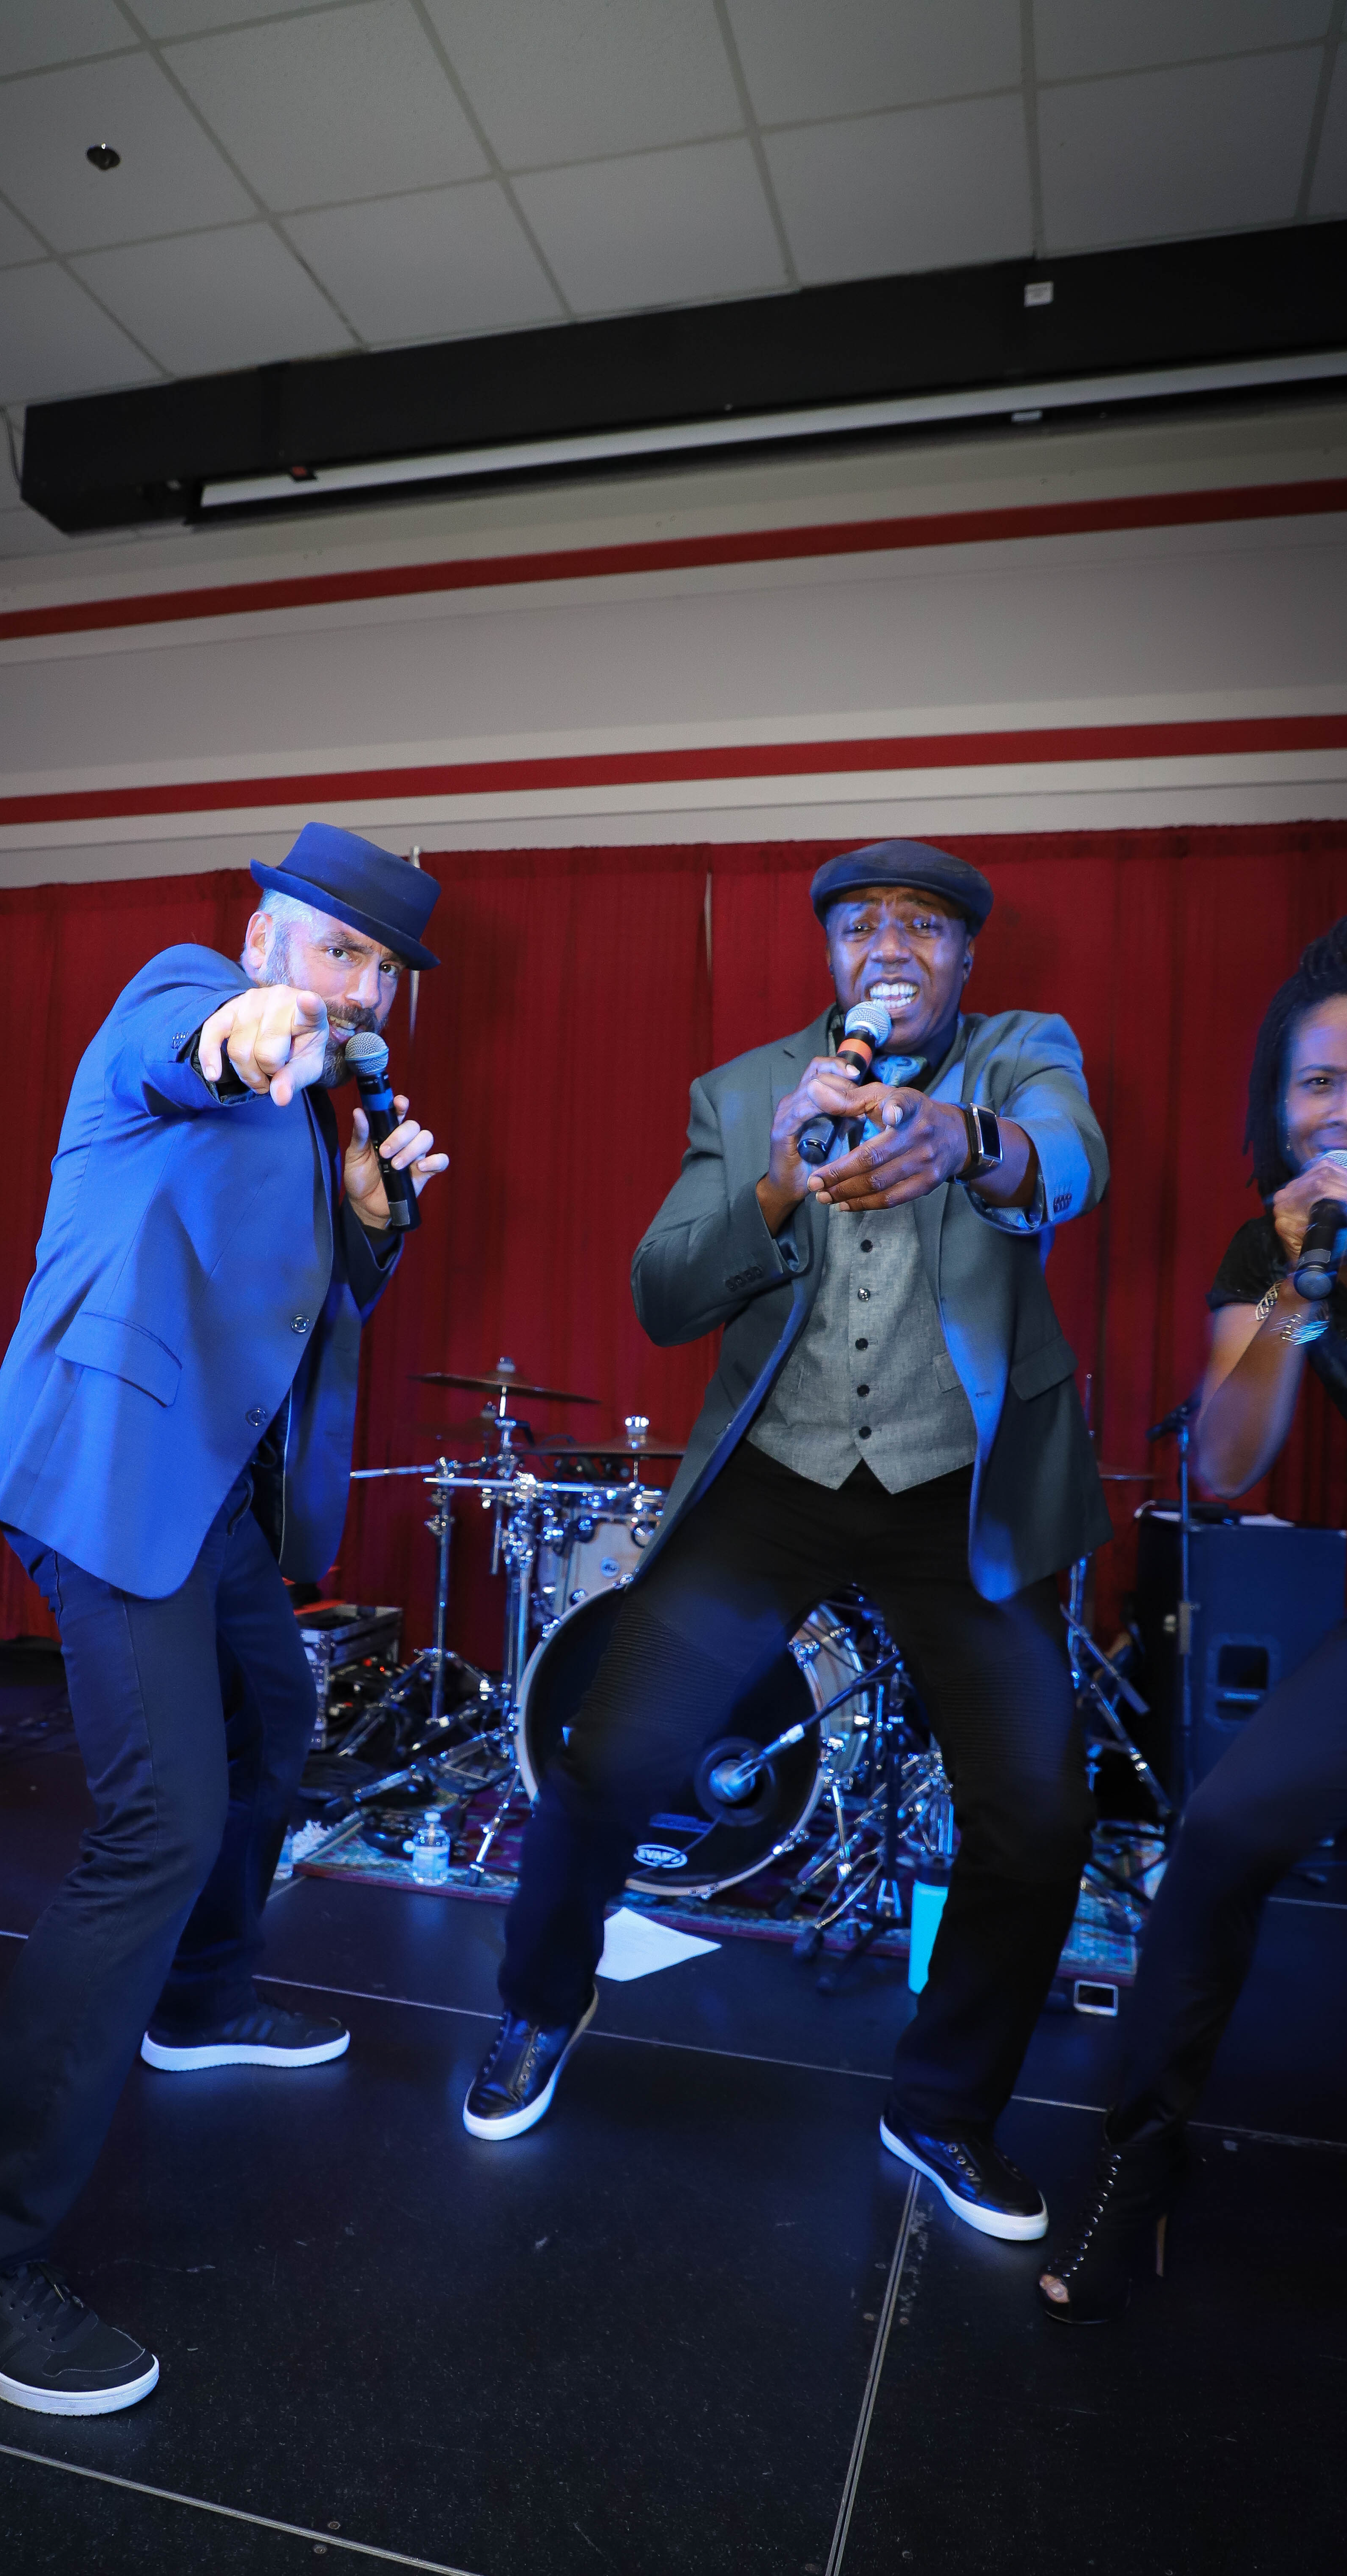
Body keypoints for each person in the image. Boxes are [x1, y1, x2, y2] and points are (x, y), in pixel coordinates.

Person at [464, 839, 1111, 2248]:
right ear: (831, 957)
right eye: (862, 925)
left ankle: (941, 2109)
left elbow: (1070, 1155)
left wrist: (966, 1144)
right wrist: (770, 1187)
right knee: (607, 1758)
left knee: (1039, 1814)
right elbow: (661, 1297)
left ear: (966, 957)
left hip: (956, 1488)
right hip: (780, 1478)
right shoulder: (743, 1088)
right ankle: (540, 2003)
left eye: (923, 926)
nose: (891, 948)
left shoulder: (1022, 1056)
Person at [0, 826, 448, 2416]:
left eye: (384, 969)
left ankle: (200, 2002)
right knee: (161, 1824)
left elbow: (301, 1314)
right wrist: (244, 1030)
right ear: (267, 939)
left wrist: (369, 1219)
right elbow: (185, 1043)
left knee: (280, 1722)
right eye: (339, 952)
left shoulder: (320, 1118)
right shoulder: (194, 989)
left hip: (205, 1495)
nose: (363, 989)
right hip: (109, 1463)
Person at [1040, 912, 1347, 2324]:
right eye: (1319, 1085)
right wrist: (1302, 1289)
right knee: (1223, 1830)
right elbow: (1230, 1459)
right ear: (1279, 1107)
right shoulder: (1279, 1248)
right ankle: (1141, 2167)